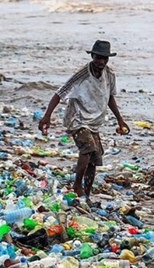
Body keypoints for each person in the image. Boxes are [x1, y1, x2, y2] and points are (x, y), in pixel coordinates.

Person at [38, 40, 129, 203]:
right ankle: (77, 186)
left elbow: (110, 98)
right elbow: (60, 93)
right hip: (77, 119)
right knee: (88, 147)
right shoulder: (82, 74)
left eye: (104, 59)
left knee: (95, 157)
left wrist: (120, 120)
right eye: (98, 58)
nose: (101, 62)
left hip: (94, 121)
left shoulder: (109, 75)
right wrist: (47, 116)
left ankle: (86, 194)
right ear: (92, 56)